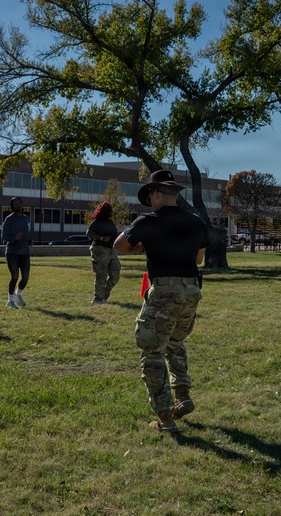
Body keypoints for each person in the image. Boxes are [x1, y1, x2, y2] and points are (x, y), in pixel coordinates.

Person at [114, 170, 210, 433]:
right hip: (191, 292)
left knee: (152, 350)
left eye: (151, 196)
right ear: (173, 194)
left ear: (156, 193)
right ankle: (183, 396)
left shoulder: (149, 220)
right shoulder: (196, 222)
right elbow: (199, 259)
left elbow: (119, 244)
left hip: (164, 291)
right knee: (175, 344)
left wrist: (142, 246)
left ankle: (165, 416)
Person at [86, 202, 121, 304]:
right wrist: (101, 238)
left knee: (115, 273)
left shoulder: (110, 222)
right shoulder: (97, 222)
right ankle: (97, 299)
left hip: (110, 250)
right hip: (99, 249)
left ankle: (104, 296)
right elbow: (89, 233)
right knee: (101, 275)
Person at [2, 197, 31, 308]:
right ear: (12, 207)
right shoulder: (9, 219)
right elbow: (4, 236)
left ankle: (17, 295)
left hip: (25, 252)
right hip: (12, 252)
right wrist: (14, 238)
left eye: (19, 203)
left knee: (25, 277)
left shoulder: (26, 219)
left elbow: (26, 234)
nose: (18, 205)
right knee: (14, 276)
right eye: (15, 204)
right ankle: (10, 301)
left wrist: (29, 241)